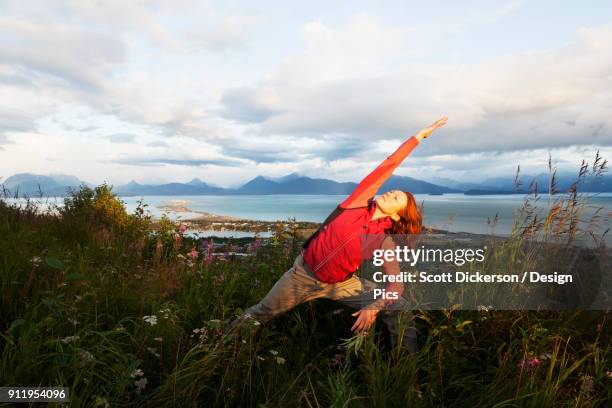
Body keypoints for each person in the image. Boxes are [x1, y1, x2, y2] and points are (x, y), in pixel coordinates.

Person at [237, 117, 448, 353]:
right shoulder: (356, 204)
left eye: (397, 198)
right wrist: (418, 137)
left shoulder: (384, 239)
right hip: (302, 276)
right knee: (259, 314)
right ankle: (219, 345)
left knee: (399, 305)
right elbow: (386, 167)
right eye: (393, 190)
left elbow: (396, 285)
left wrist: (374, 306)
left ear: (398, 216)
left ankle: (405, 365)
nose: (391, 192)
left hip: (341, 284)